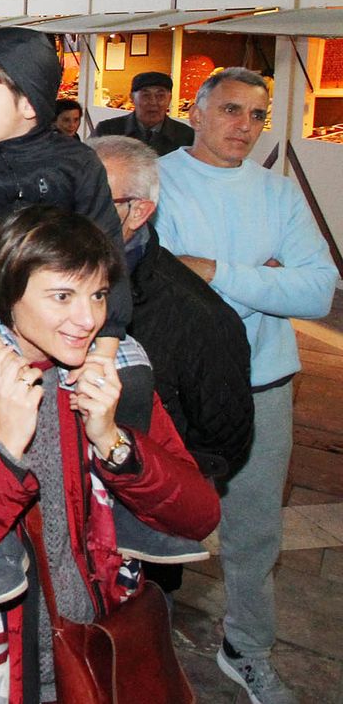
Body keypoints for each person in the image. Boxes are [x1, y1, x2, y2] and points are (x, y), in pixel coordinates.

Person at [0, 205, 220, 703]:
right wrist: (0, 452)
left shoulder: (110, 378)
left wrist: (113, 442)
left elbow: (199, 514)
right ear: (8, 295)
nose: (88, 320)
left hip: (97, 642)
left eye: (98, 294)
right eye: (62, 296)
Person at [0, 27, 186, 608]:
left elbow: (107, 251)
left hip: (62, 293)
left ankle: (134, 512)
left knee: (132, 376)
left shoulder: (77, 163)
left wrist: (108, 345)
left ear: (28, 103)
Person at [153, 67, 336, 703]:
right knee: (157, 519)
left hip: (266, 384)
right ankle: (142, 640)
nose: (246, 127)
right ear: (196, 113)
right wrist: (262, 280)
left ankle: (247, 648)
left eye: (258, 116)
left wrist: (215, 270)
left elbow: (317, 291)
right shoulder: (160, 182)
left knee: (255, 530)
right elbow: (163, 287)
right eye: (231, 110)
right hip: (177, 389)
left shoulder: (279, 194)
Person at [91, 135, 253, 593]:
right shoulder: (41, 280)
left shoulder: (198, 318)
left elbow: (221, 446)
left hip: (141, 541)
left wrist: (147, 489)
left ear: (138, 212)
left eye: (95, 198)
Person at [94, 71, 193, 155]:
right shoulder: (108, 131)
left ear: (170, 99)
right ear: (132, 98)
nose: (153, 102)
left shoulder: (186, 136)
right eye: (146, 95)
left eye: (160, 96)